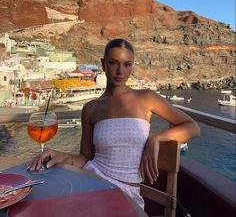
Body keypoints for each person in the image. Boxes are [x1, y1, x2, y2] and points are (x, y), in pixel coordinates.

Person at [29, 38, 200, 209]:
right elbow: (85, 157)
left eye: (127, 65)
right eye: (113, 63)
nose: (120, 71)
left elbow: (192, 127)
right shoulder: (91, 108)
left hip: (127, 195)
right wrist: (63, 156)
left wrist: (157, 138)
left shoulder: (146, 98)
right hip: (93, 184)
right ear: (103, 64)